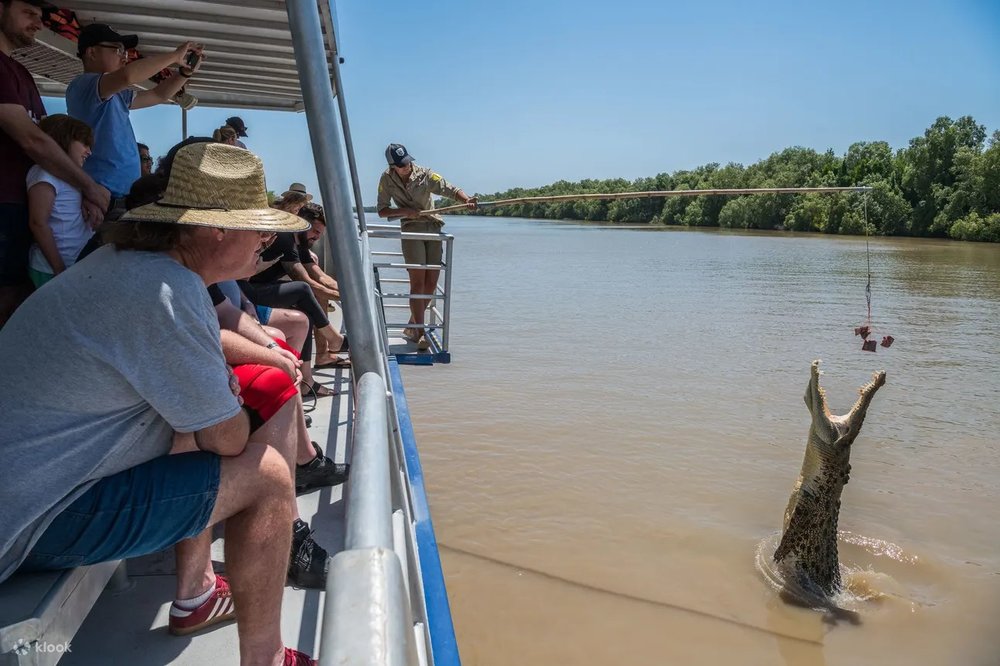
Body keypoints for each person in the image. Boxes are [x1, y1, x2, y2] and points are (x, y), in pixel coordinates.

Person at [0, 142, 319, 665]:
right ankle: (266, 658)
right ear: (217, 230)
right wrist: (223, 401)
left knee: (198, 421)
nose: (266, 244)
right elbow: (228, 437)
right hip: (31, 519)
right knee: (269, 477)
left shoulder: (126, 262)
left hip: (30, 488)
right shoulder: (164, 292)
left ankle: (198, 590)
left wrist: (218, 398)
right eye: (260, 231)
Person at [0, 0, 109, 326]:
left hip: (18, 201)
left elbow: (47, 139)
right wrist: (88, 186)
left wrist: (80, 195)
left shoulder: (18, 71)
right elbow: (31, 139)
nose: (38, 23)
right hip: (3, 202)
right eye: (29, 13)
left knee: (17, 295)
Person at [66, 22, 205, 217]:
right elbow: (128, 76)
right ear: (91, 53)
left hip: (123, 199)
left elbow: (157, 95)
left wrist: (184, 73)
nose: (125, 57)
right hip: (105, 200)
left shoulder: (114, 94)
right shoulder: (84, 86)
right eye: (118, 50)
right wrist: (174, 56)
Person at [377, 143, 476, 349]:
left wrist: (467, 200)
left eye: (408, 162)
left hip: (432, 227)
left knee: (431, 282)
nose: (407, 167)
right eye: (401, 165)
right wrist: (405, 211)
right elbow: (382, 210)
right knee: (417, 283)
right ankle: (420, 332)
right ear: (392, 166)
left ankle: (413, 323)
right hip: (412, 229)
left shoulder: (425, 174)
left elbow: (449, 188)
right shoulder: (386, 180)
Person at [25, 114, 96, 286]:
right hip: (51, 269)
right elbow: (38, 223)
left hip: (72, 265)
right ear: (62, 140)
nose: (89, 151)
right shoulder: (44, 174)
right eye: (84, 143)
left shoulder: (69, 178)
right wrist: (58, 269)